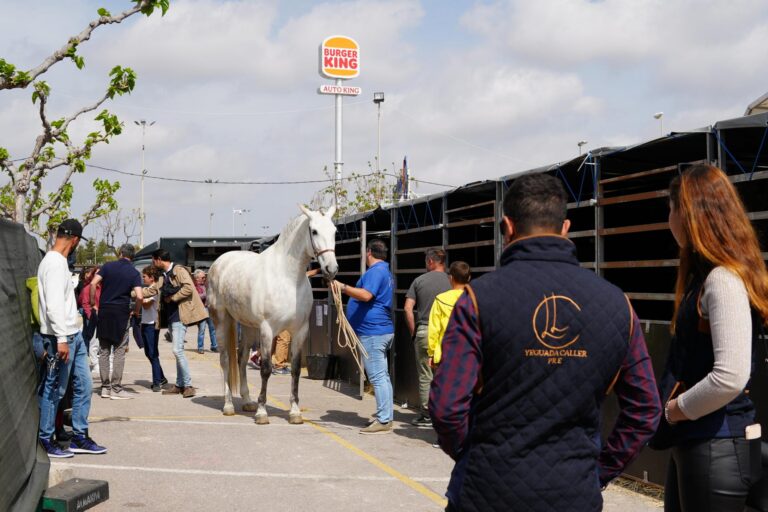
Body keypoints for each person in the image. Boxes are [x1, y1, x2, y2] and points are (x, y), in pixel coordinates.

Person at [430, 174, 661, 511]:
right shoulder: (617, 304)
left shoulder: (476, 299)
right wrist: (599, 471)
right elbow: (645, 410)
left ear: (507, 227)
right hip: (575, 493)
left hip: (487, 491)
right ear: (565, 227)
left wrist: (472, 453)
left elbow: (447, 408)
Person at [659, 164, 768, 511]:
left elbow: (731, 376)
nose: (669, 221)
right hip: (706, 447)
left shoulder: (721, 280)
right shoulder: (713, 277)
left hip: (715, 449)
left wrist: (675, 410)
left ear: (690, 214)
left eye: (672, 209)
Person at [36, 219, 106, 457]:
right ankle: (45, 438)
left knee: (84, 385)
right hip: (61, 336)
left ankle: (79, 436)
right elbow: (54, 305)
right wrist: (62, 339)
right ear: (75, 240)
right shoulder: (54, 263)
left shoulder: (59, 262)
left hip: (72, 334)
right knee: (55, 387)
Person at [332, 239, 395, 434]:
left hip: (373, 332)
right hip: (378, 330)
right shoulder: (384, 271)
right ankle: (385, 415)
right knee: (382, 376)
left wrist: (343, 287)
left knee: (377, 377)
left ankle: (384, 420)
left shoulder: (376, 272)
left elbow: (366, 295)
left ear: (369, 252)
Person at [145, 249, 207, 398]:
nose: (153, 263)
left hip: (180, 316)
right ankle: (179, 385)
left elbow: (188, 288)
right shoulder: (164, 275)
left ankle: (188, 385)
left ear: (159, 259)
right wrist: (133, 292)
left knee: (177, 350)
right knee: (178, 351)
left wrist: (172, 298)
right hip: (172, 318)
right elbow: (153, 290)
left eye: (154, 260)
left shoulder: (178, 270)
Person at [88, 244, 142, 400]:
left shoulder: (107, 266)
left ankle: (105, 387)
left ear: (120, 253)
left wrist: (93, 303)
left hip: (104, 311)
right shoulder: (133, 272)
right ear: (132, 256)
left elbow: (93, 283)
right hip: (121, 313)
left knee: (104, 350)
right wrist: (136, 311)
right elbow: (139, 296)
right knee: (119, 351)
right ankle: (116, 388)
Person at [404, 248, 450, 428]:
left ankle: (427, 415)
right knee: (447, 374)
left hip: (425, 331)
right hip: (448, 334)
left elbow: (408, 309)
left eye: (426, 261)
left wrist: (414, 332)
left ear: (431, 261)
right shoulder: (452, 281)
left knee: (425, 375)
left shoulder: (419, 281)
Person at [427, 261, 471, 367]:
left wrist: (431, 353)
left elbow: (434, 329)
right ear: (469, 278)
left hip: (446, 352)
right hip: (469, 352)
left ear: (450, 278)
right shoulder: (473, 299)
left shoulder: (440, 299)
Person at [140, 266, 167, 392]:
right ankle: (161, 377)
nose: (143, 278)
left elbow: (146, 305)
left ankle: (157, 382)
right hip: (146, 322)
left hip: (152, 324)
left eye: (144, 276)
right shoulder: (147, 289)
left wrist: (139, 296)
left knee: (153, 353)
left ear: (151, 278)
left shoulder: (154, 289)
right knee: (148, 352)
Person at [78, 266, 100, 370]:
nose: (100, 276)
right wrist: (91, 316)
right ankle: (93, 363)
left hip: (103, 317)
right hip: (92, 317)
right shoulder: (87, 288)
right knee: (91, 340)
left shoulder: (105, 287)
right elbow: (85, 303)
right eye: (97, 274)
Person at [193, 269, 218, 354]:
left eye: (205, 277)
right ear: (197, 278)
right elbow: (197, 297)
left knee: (213, 329)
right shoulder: (194, 287)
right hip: (202, 310)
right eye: (202, 277)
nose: (204, 279)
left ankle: (214, 346)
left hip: (209, 309)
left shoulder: (206, 285)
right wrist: (207, 293)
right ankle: (200, 347)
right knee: (202, 330)